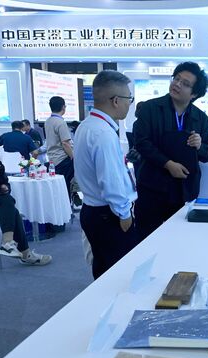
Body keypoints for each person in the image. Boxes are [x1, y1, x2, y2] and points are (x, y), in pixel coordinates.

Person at [132, 62, 208, 241]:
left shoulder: (201, 119)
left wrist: (200, 146)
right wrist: (168, 164)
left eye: (185, 83)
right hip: (152, 188)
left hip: (184, 191)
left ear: (194, 94)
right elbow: (141, 142)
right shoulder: (150, 109)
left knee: (180, 241)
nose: (177, 84)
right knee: (147, 240)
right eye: (176, 79)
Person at [74, 70, 138, 279]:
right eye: (129, 99)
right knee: (117, 276)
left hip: (96, 212)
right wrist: (124, 213)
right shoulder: (102, 133)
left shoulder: (88, 126)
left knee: (104, 270)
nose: (130, 104)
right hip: (109, 215)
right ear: (116, 100)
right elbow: (111, 181)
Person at [44, 96, 74, 199]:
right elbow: (65, 143)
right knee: (66, 186)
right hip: (63, 159)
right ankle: (67, 211)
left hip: (52, 159)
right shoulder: (61, 122)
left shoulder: (48, 121)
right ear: (63, 107)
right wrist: (73, 157)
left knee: (57, 187)